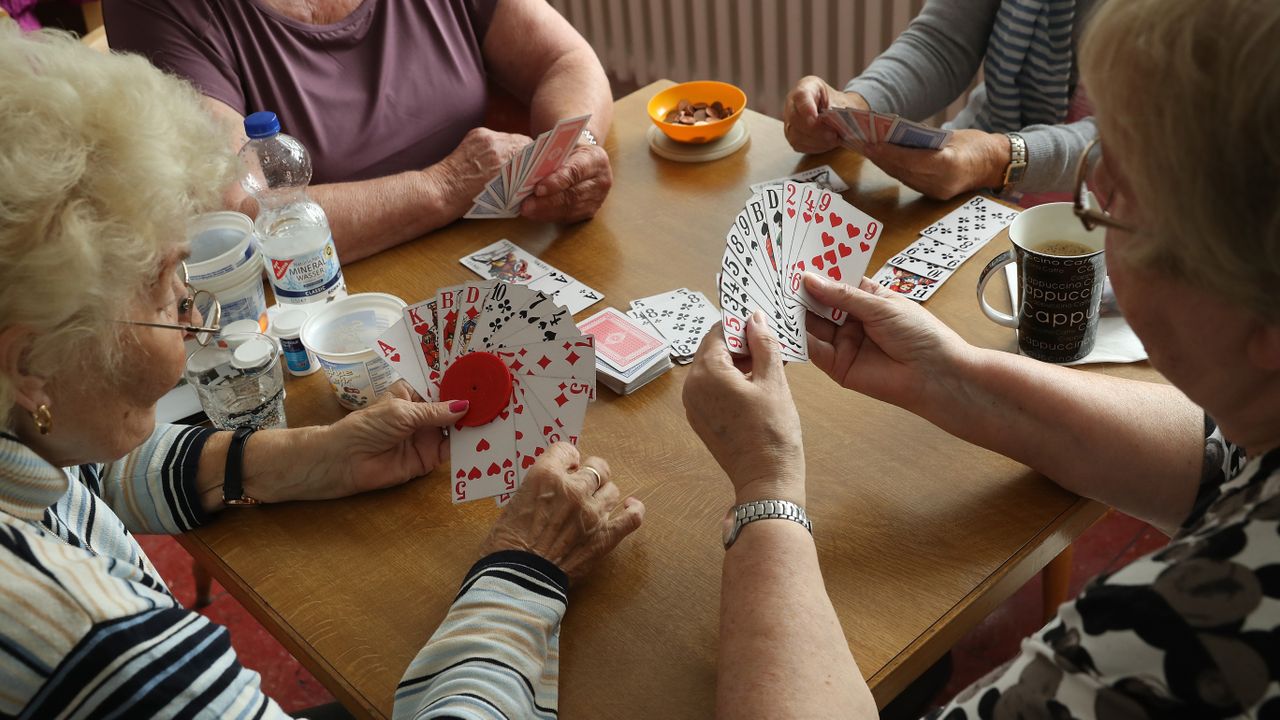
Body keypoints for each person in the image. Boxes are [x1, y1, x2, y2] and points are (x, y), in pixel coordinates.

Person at [0, 24, 642, 717]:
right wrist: (522, 567)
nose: (198, 320)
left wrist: (306, 456)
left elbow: (80, 473)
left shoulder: (29, 424)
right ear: (32, 365)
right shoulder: (91, 646)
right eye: (169, 294)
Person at [687, 0, 1280, 714]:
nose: (1094, 204)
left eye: (1115, 201)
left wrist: (765, 485)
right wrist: (949, 374)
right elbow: (1217, 462)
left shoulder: (1173, 642)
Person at [102, 0, 616, 262]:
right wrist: (442, 187)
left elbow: (565, 59)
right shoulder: (158, 8)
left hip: (496, 255)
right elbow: (241, 214)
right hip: (324, 312)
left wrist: (574, 151)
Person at [783, 0, 1098, 202]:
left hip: (1111, 211)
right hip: (979, 145)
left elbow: (1136, 142)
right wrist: (852, 106)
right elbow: (941, 44)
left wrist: (996, 160)